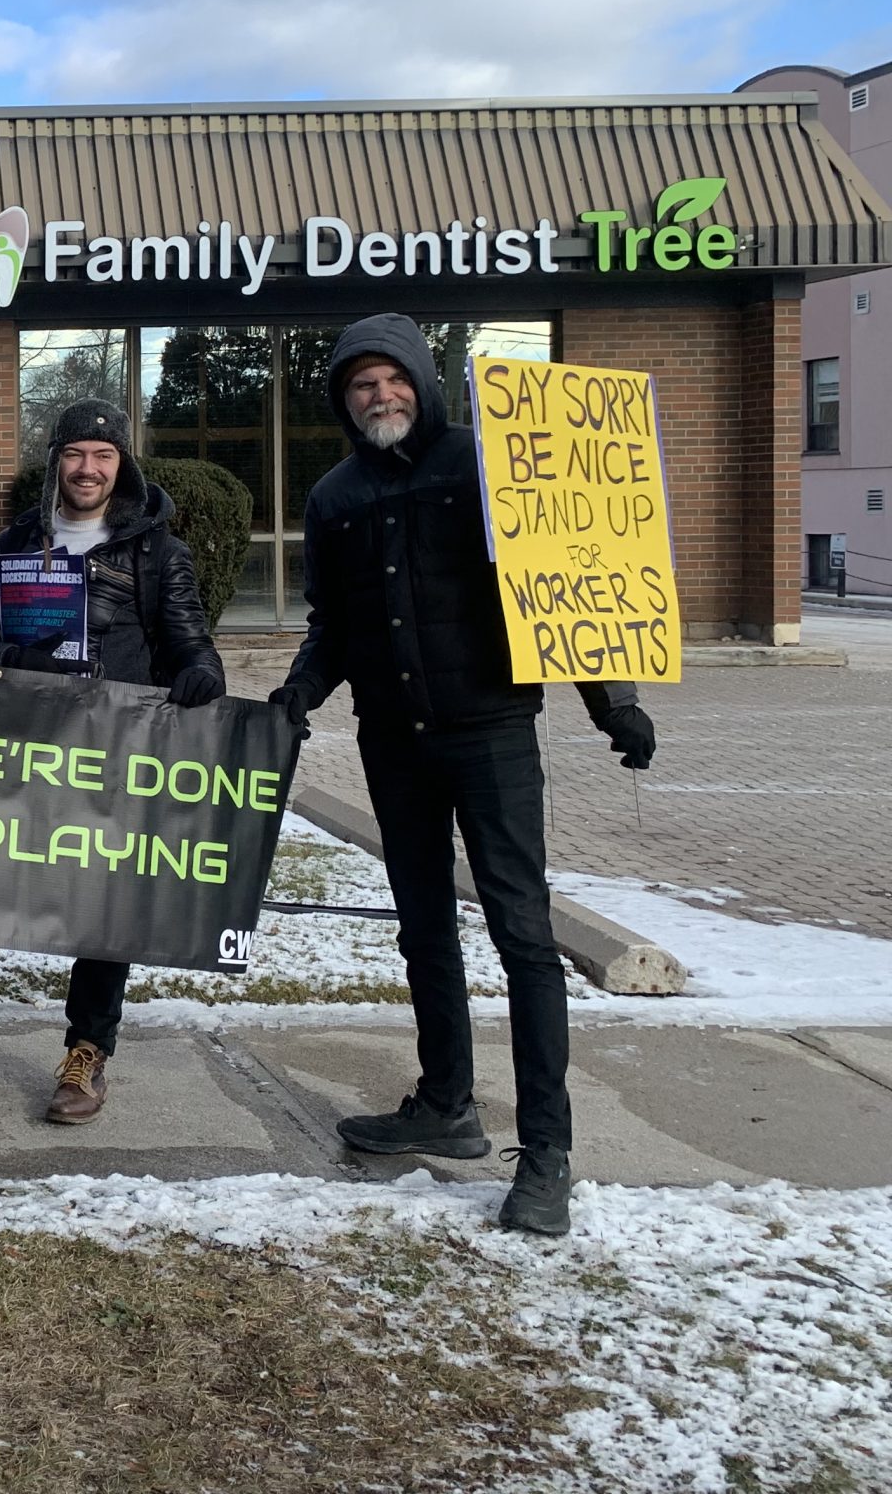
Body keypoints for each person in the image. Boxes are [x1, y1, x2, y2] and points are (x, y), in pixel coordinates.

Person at [270, 314, 658, 1237]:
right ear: (343, 400)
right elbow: (334, 621)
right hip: (393, 743)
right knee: (424, 930)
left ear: (422, 380)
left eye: (392, 380)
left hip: (491, 736)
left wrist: (615, 704)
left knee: (525, 935)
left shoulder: (488, 465)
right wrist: (300, 691)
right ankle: (445, 1103)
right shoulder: (335, 496)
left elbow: (567, 578)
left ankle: (548, 1152)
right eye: (361, 386)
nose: (380, 397)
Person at [0, 398, 226, 1120]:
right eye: (74, 454)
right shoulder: (16, 545)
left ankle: (87, 1055)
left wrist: (200, 675)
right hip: (16, 743)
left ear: (122, 463)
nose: (87, 468)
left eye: (102, 455)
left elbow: (190, 643)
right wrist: (22, 660)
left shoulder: (156, 551)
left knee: (104, 901)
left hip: (110, 755)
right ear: (56, 461)